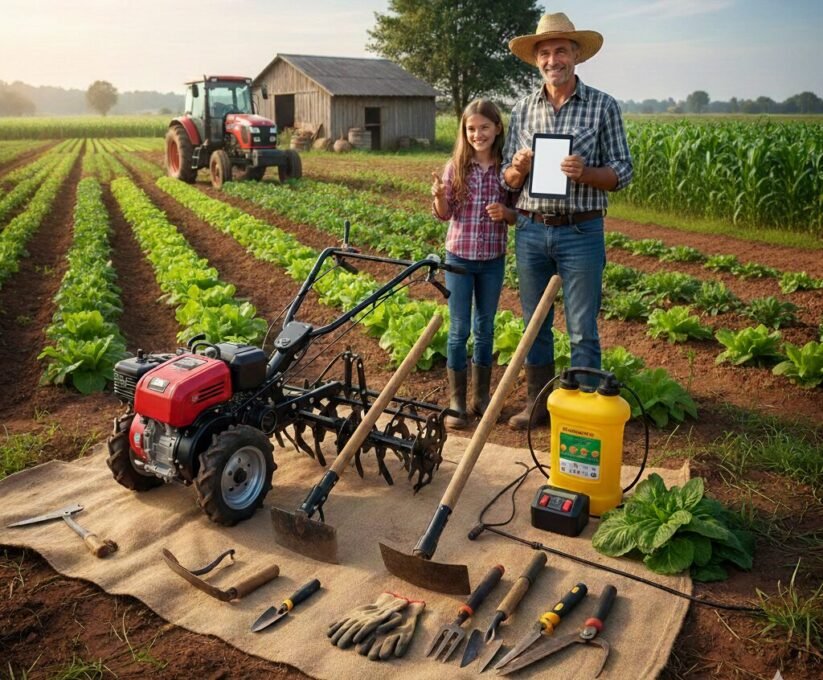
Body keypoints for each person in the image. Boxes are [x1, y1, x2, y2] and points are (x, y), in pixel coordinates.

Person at [501, 12, 633, 430]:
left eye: (560, 50)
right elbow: (506, 175)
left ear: (576, 55)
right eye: (545, 52)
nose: (552, 59)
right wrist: (518, 168)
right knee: (534, 324)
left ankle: (583, 413)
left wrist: (587, 173)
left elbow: (624, 171)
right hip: (531, 229)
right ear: (536, 59)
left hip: (581, 230)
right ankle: (538, 405)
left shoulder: (603, 106)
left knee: (581, 327)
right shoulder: (522, 109)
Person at [432, 99, 518, 430]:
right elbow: (446, 213)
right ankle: (456, 402)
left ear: (497, 129)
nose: (477, 134)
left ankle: (480, 399)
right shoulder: (455, 167)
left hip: (492, 260)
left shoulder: (507, 171)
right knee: (458, 330)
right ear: (464, 132)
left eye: (484, 127)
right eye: (471, 129)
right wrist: (439, 196)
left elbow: (517, 212)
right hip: (459, 259)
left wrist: (506, 213)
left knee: (485, 328)